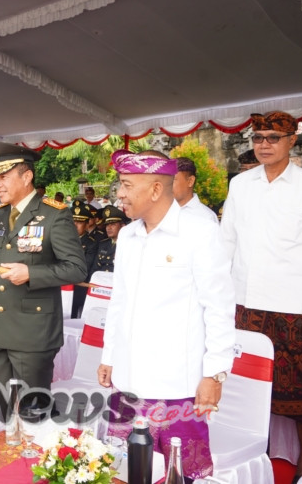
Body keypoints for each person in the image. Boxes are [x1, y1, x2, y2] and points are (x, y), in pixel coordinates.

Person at [98, 151, 235, 480]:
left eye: (127, 185)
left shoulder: (199, 232)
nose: (120, 193)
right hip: (129, 377)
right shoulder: (129, 236)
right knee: (122, 467)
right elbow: (120, 300)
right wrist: (109, 355)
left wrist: (214, 373)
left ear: (156, 190)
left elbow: (219, 305)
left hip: (176, 382)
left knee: (180, 473)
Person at [221, 111, 302, 480]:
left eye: (273, 137)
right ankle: (256, 449)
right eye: (258, 138)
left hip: (294, 303)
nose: (264, 144)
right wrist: (221, 292)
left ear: (291, 142)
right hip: (245, 300)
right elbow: (228, 241)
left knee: (301, 385)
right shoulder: (241, 184)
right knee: (247, 382)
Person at [0, 142, 87, 416]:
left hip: (33, 334)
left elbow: (76, 268)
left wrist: (31, 273)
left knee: (33, 412)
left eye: (4, 177)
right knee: (4, 410)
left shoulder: (54, 214)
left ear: (27, 177)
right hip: (0, 330)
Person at [70, 200, 97, 319]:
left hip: (78, 287)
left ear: (87, 225)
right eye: (73, 221)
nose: (75, 225)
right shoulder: (62, 241)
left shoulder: (91, 244)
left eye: (79, 222)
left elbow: (85, 267)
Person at [173, 157, 218, 223]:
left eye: (172, 180)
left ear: (190, 181)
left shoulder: (206, 217)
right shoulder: (160, 213)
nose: (166, 185)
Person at [92, 205, 128, 273]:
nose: (109, 228)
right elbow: (95, 268)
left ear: (122, 226)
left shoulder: (128, 244)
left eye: (113, 224)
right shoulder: (103, 244)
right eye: (107, 225)